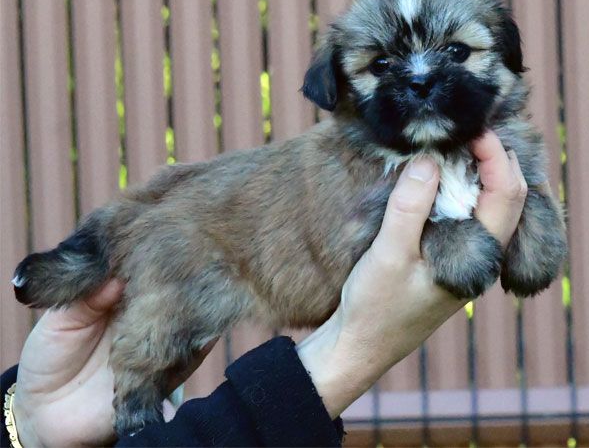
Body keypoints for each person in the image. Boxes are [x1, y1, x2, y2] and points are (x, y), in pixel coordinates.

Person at [1, 132, 527, 447]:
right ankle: (134, 406)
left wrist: (30, 423)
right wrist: (348, 352)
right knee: (155, 339)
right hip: (201, 246)